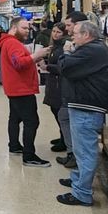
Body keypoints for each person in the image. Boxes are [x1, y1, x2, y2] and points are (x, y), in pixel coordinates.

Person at [57, 21, 108, 206]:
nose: (71, 36)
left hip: (87, 108)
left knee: (85, 152)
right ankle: (78, 179)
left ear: (86, 35)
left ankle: (81, 193)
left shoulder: (92, 50)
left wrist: (67, 52)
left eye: (74, 33)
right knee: (81, 149)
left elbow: (66, 67)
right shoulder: (94, 49)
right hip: (84, 106)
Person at [0, 18, 50, 167]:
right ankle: (29, 156)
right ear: (14, 28)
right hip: (21, 89)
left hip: (15, 88)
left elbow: (19, 61)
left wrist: (34, 58)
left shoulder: (8, 42)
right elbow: (19, 63)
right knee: (32, 121)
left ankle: (14, 145)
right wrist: (37, 54)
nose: (27, 31)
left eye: (28, 29)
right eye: (24, 28)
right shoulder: (13, 43)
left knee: (14, 118)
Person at [56, 11, 88, 169]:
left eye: (68, 25)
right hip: (72, 94)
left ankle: (75, 160)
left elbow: (67, 67)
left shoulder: (83, 47)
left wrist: (66, 53)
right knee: (63, 117)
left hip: (80, 98)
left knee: (83, 143)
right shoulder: (75, 43)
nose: (66, 28)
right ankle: (72, 155)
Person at [42, 23, 68, 152]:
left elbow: (62, 68)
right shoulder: (55, 47)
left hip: (59, 85)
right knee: (55, 111)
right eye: (54, 31)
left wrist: (46, 67)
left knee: (60, 113)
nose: (55, 34)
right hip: (53, 83)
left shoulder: (64, 47)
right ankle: (62, 137)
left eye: (58, 32)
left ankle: (65, 140)